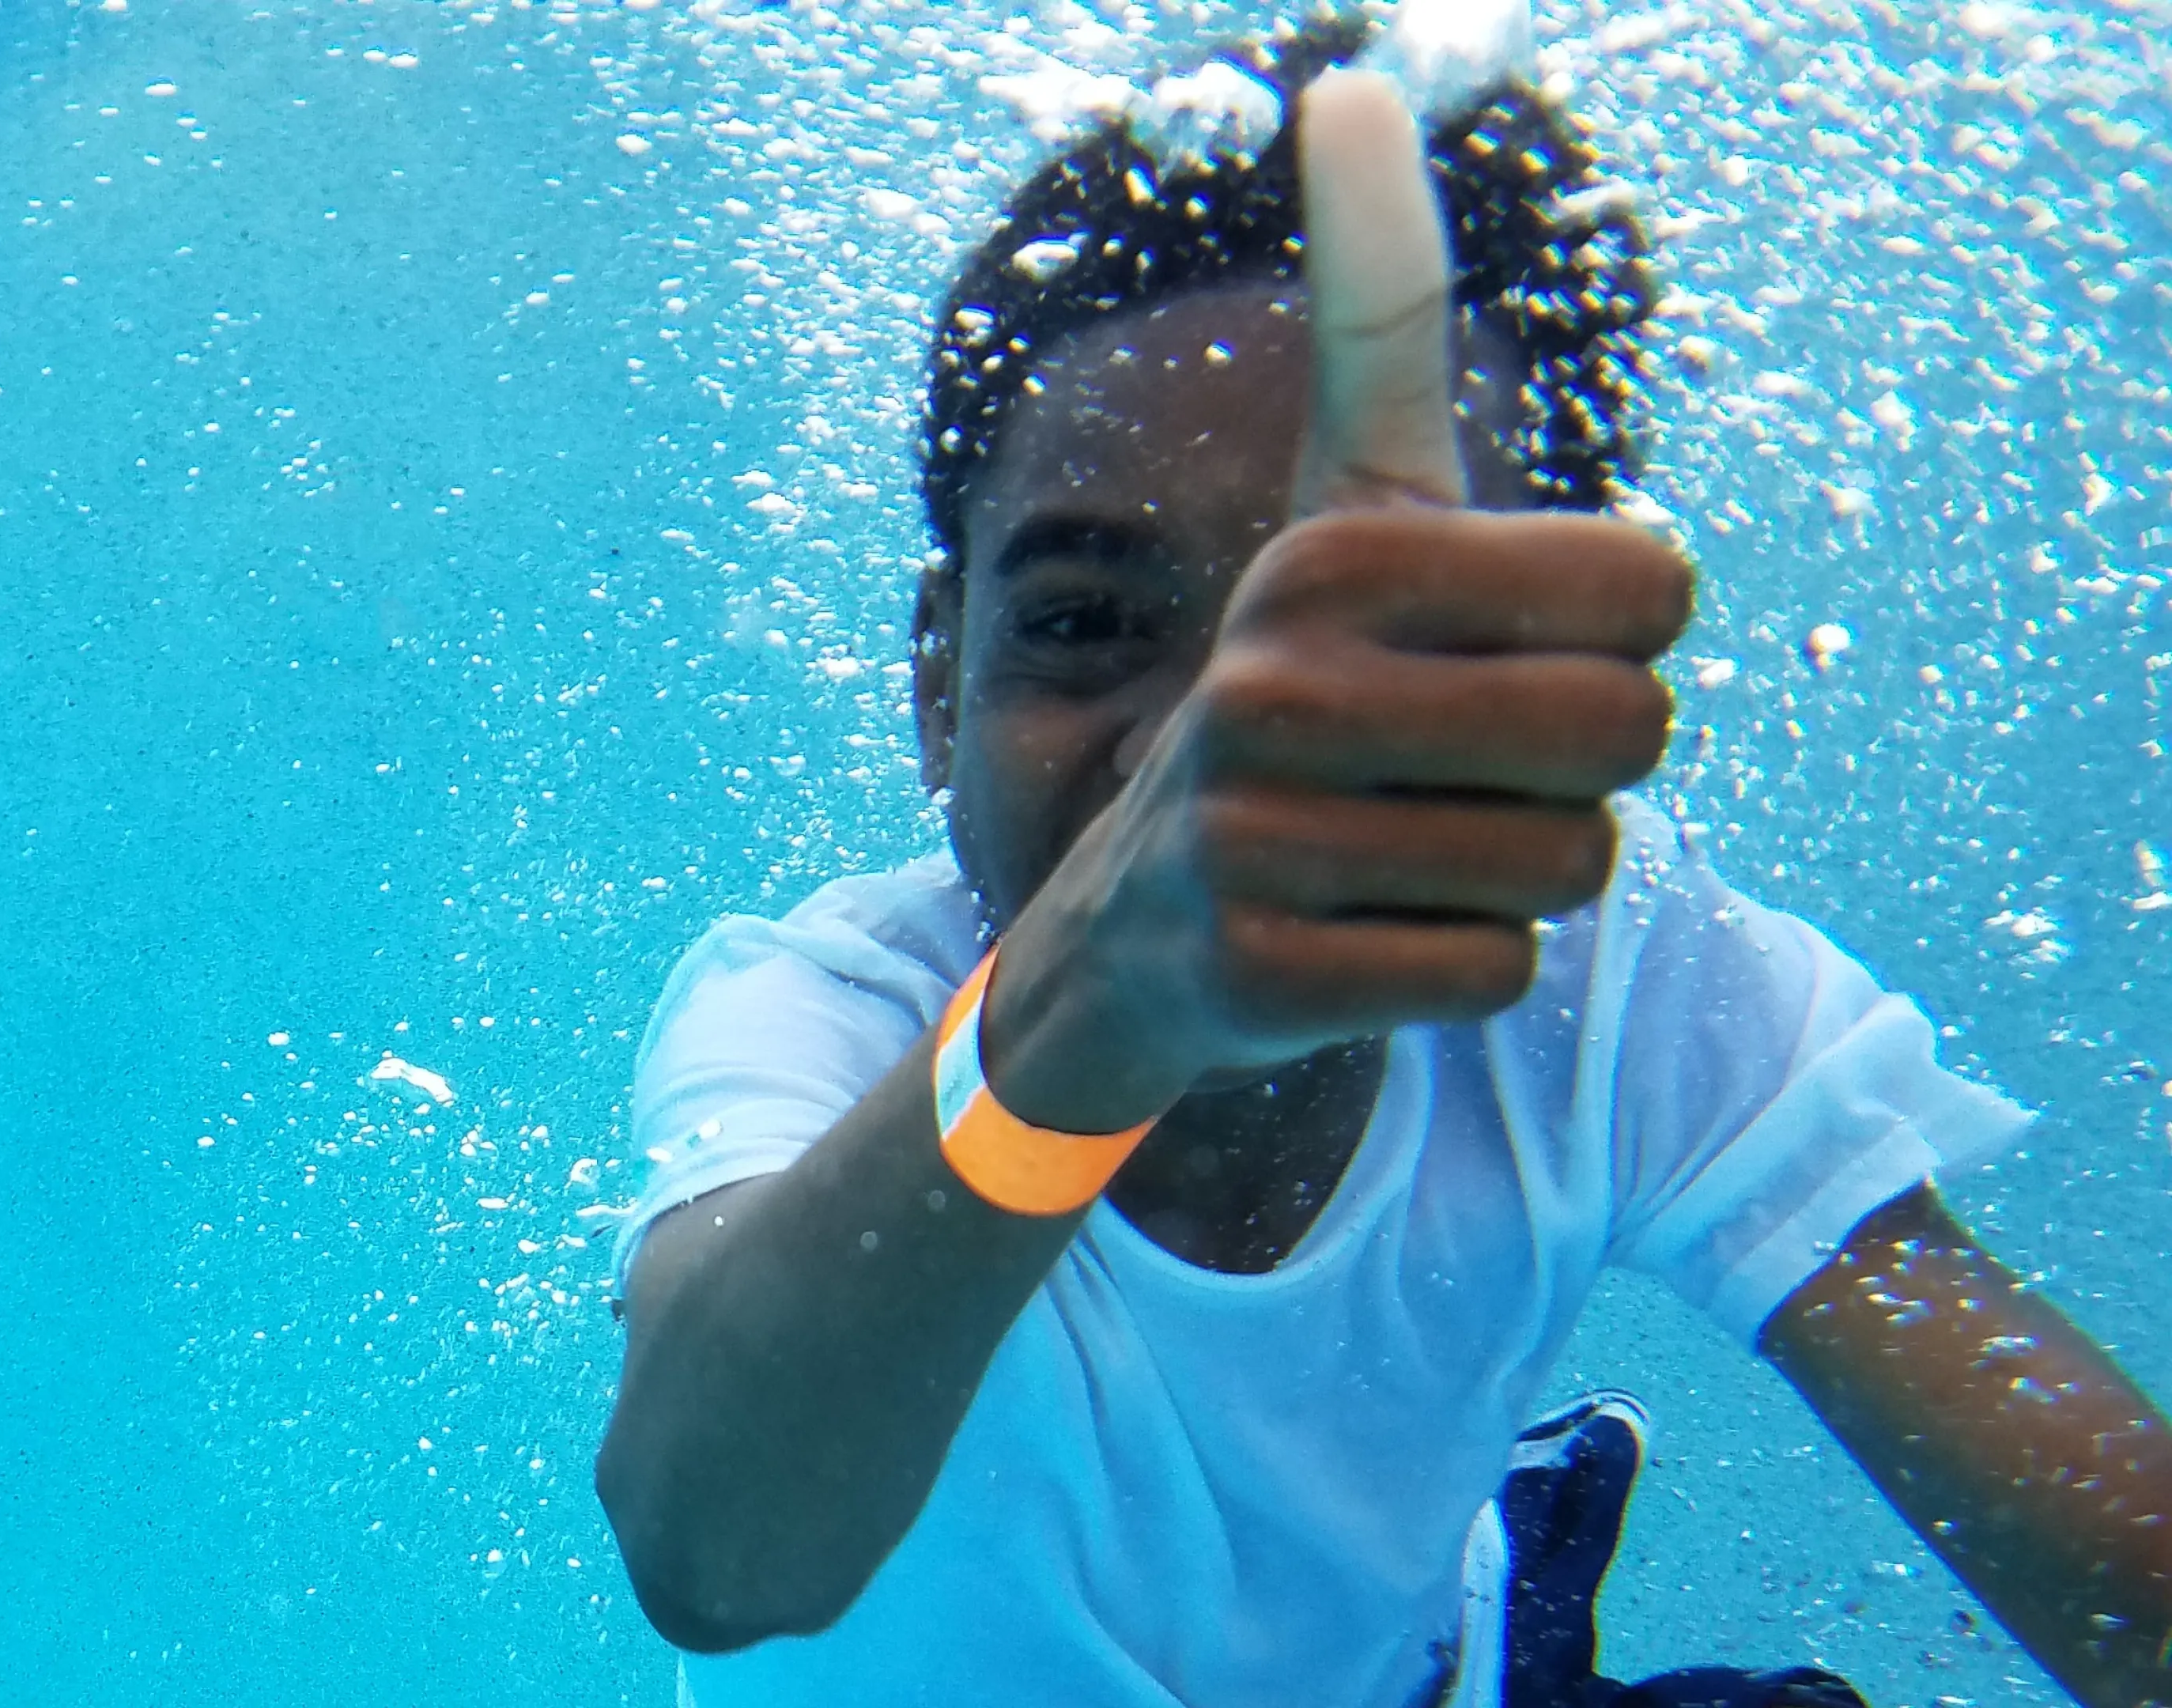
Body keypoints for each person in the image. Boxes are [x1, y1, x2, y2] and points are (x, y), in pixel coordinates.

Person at [591, 13, 2172, 1707]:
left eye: (1371, 639)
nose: (1213, 746)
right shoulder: (823, 1018)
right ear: (934, 685)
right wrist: (1090, 1013)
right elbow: (718, 1549)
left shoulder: (1605, 951)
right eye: (1081, 622)